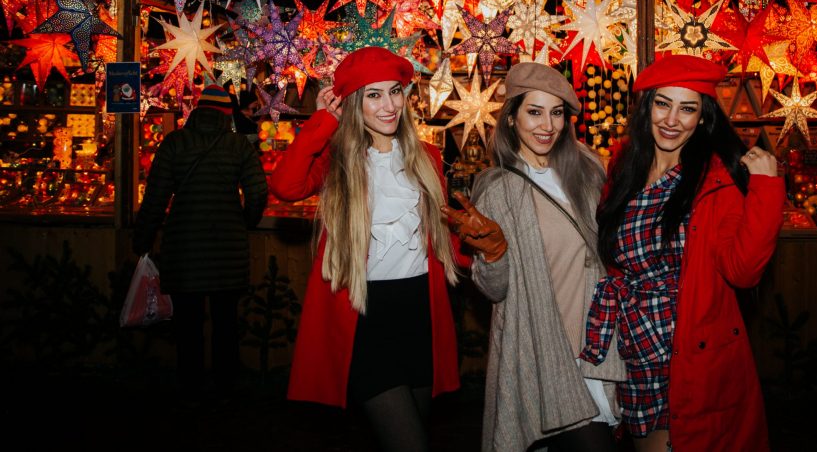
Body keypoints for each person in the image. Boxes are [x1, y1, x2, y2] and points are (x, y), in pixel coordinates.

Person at [580, 53, 785, 452]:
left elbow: (742, 271)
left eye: (687, 108)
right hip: (637, 344)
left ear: (703, 118)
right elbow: (613, 257)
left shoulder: (714, 181)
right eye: (663, 103)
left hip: (689, 348)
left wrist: (765, 189)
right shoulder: (623, 170)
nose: (672, 120)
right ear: (647, 108)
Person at [269, 46, 467, 452]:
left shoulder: (428, 158)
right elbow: (285, 186)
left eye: (395, 92)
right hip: (364, 320)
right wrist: (323, 120)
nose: (389, 105)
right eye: (373, 95)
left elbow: (446, 241)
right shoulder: (336, 161)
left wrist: (487, 252)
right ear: (354, 103)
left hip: (420, 316)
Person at [443, 62, 625, 452]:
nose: (547, 125)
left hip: (596, 343)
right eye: (535, 111)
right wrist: (493, 254)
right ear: (511, 119)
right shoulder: (497, 188)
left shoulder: (588, 170)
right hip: (543, 349)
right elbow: (495, 291)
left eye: (557, 113)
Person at [133, 83, 269, 399]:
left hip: (183, 248)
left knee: (188, 324)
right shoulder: (239, 147)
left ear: (197, 111)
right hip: (227, 249)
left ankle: (190, 387)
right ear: (225, 114)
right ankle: (225, 386)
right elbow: (259, 192)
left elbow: (154, 198)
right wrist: (244, 222)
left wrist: (142, 239)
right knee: (225, 323)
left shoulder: (174, 144)